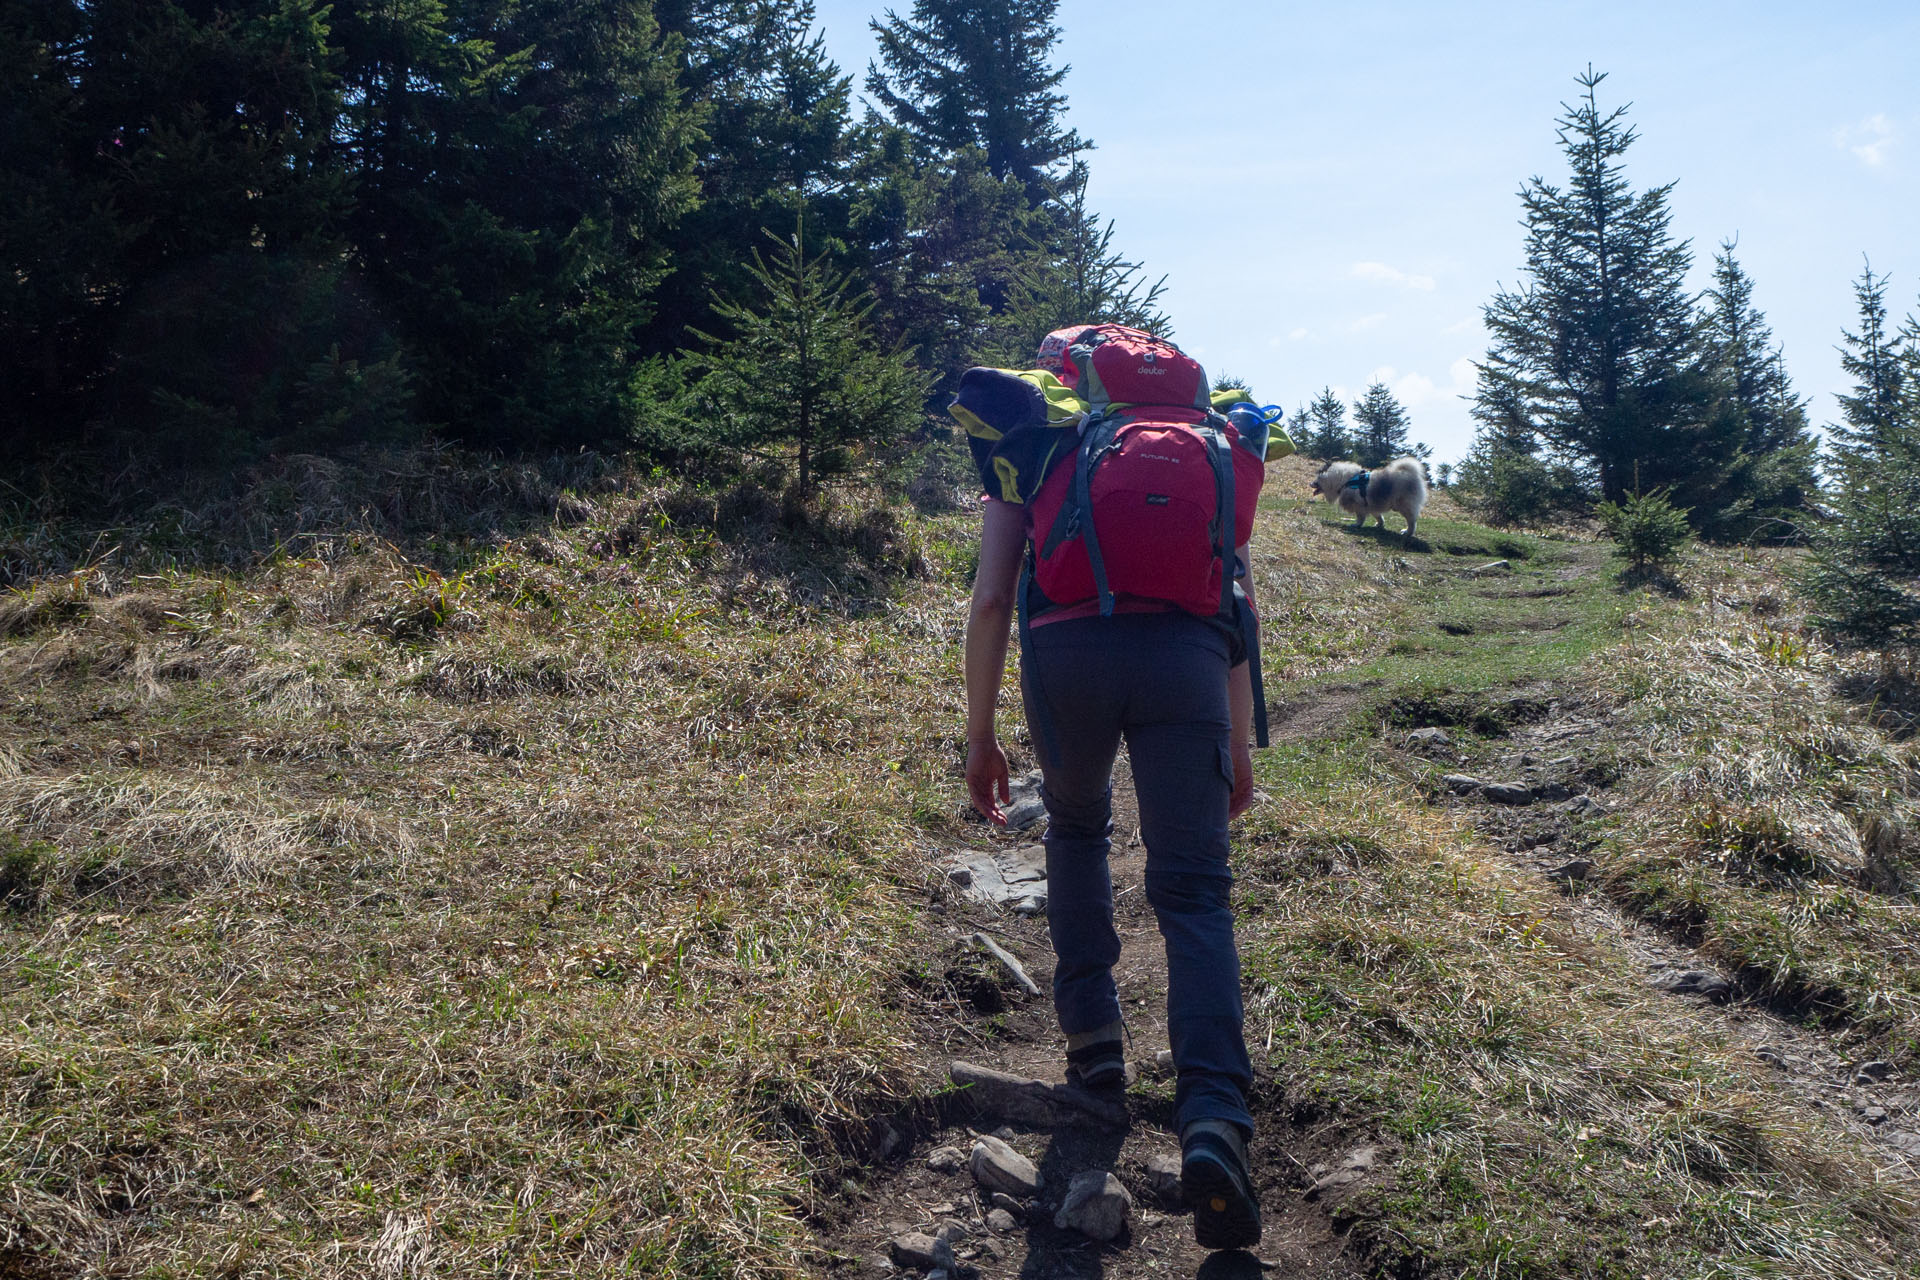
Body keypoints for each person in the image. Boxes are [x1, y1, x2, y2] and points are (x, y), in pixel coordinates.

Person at [961, 379, 1265, 1252]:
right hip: (1189, 659)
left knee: (1075, 826)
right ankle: (1212, 1118)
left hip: (1068, 654)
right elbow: (1234, 598)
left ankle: (1095, 1042)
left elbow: (990, 598)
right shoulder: (1211, 443)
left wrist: (980, 735)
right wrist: (1237, 741)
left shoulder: (1040, 434)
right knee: (1198, 895)